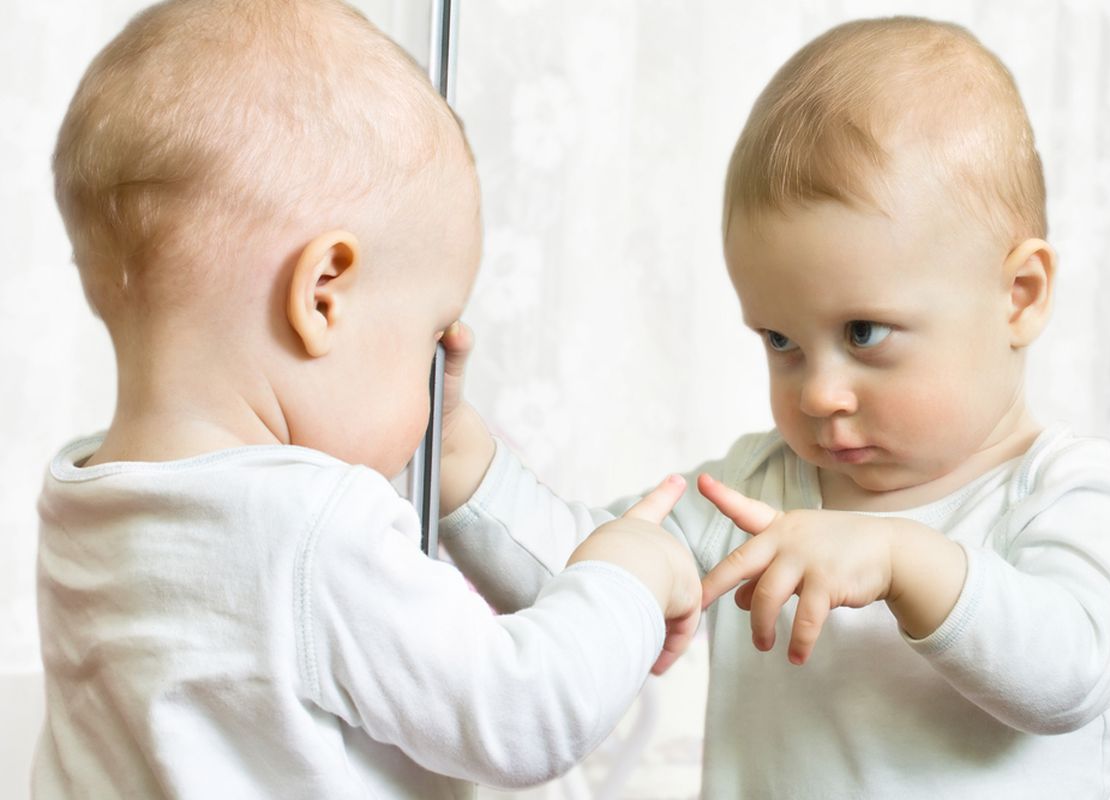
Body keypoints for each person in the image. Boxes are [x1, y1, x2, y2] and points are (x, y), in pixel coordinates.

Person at [437, 16, 1110, 799]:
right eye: (780, 341)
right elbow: (590, 581)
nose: (817, 392)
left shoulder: (1072, 493)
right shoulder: (755, 492)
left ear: (1018, 297)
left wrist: (897, 557)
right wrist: (456, 459)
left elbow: (1076, 673)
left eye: (864, 333)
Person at [35, 1, 703, 797]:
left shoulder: (83, 497)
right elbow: (525, 715)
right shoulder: (310, 528)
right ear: (322, 297)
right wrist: (624, 571)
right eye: (428, 335)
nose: (434, 377)